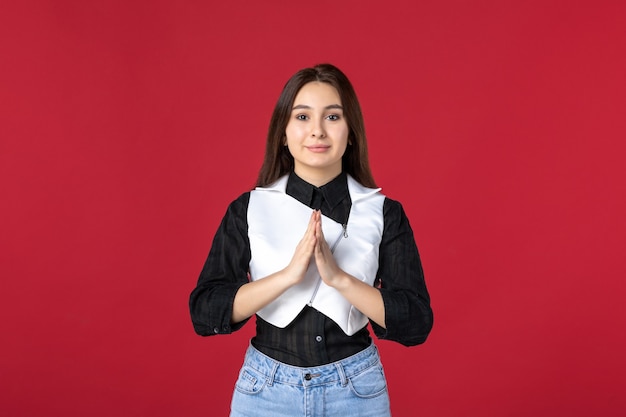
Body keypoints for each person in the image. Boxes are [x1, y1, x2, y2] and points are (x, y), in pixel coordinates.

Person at [189, 63, 433, 417]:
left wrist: (340, 280)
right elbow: (204, 310)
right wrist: (287, 276)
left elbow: (416, 323)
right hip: (266, 393)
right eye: (302, 117)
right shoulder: (249, 209)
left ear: (351, 132)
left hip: (357, 392)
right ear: (283, 133)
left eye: (332, 117)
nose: (317, 131)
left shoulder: (382, 212)